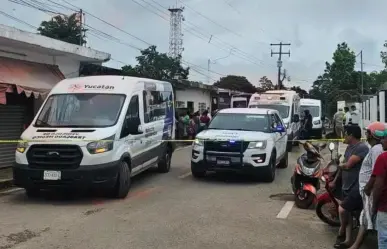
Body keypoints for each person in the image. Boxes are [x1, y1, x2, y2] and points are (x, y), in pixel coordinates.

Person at [332, 125, 369, 249]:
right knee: (347, 213)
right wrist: (335, 180)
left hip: (357, 187)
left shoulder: (362, 148)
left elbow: (347, 165)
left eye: (345, 134)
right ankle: (347, 241)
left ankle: (342, 229)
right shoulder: (349, 147)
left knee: (342, 209)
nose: (344, 136)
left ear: (351, 135)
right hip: (346, 186)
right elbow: (342, 166)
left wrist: (338, 165)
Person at [348, 122, 385, 249]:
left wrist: (370, 189)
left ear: (373, 135)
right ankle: (356, 245)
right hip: (368, 191)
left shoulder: (376, 150)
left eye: (368, 133)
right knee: (365, 216)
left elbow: (377, 173)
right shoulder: (375, 149)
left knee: (371, 218)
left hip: (371, 191)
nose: (366, 135)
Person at [371, 130, 387, 249]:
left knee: (384, 240)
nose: (381, 141)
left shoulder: (383, 158)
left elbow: (378, 186)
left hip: (385, 208)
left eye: (384, 138)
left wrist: (374, 206)